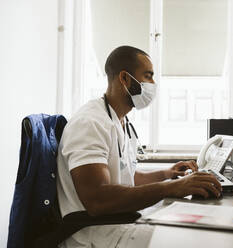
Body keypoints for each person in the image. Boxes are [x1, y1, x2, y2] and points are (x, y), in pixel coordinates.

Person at [56, 45, 222, 247]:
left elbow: (125, 177)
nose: (153, 84)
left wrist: (166, 174)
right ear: (124, 78)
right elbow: (97, 200)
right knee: (191, 239)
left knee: (197, 226)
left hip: (116, 222)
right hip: (93, 233)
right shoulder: (90, 123)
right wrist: (171, 188)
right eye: (148, 76)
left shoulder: (120, 121)